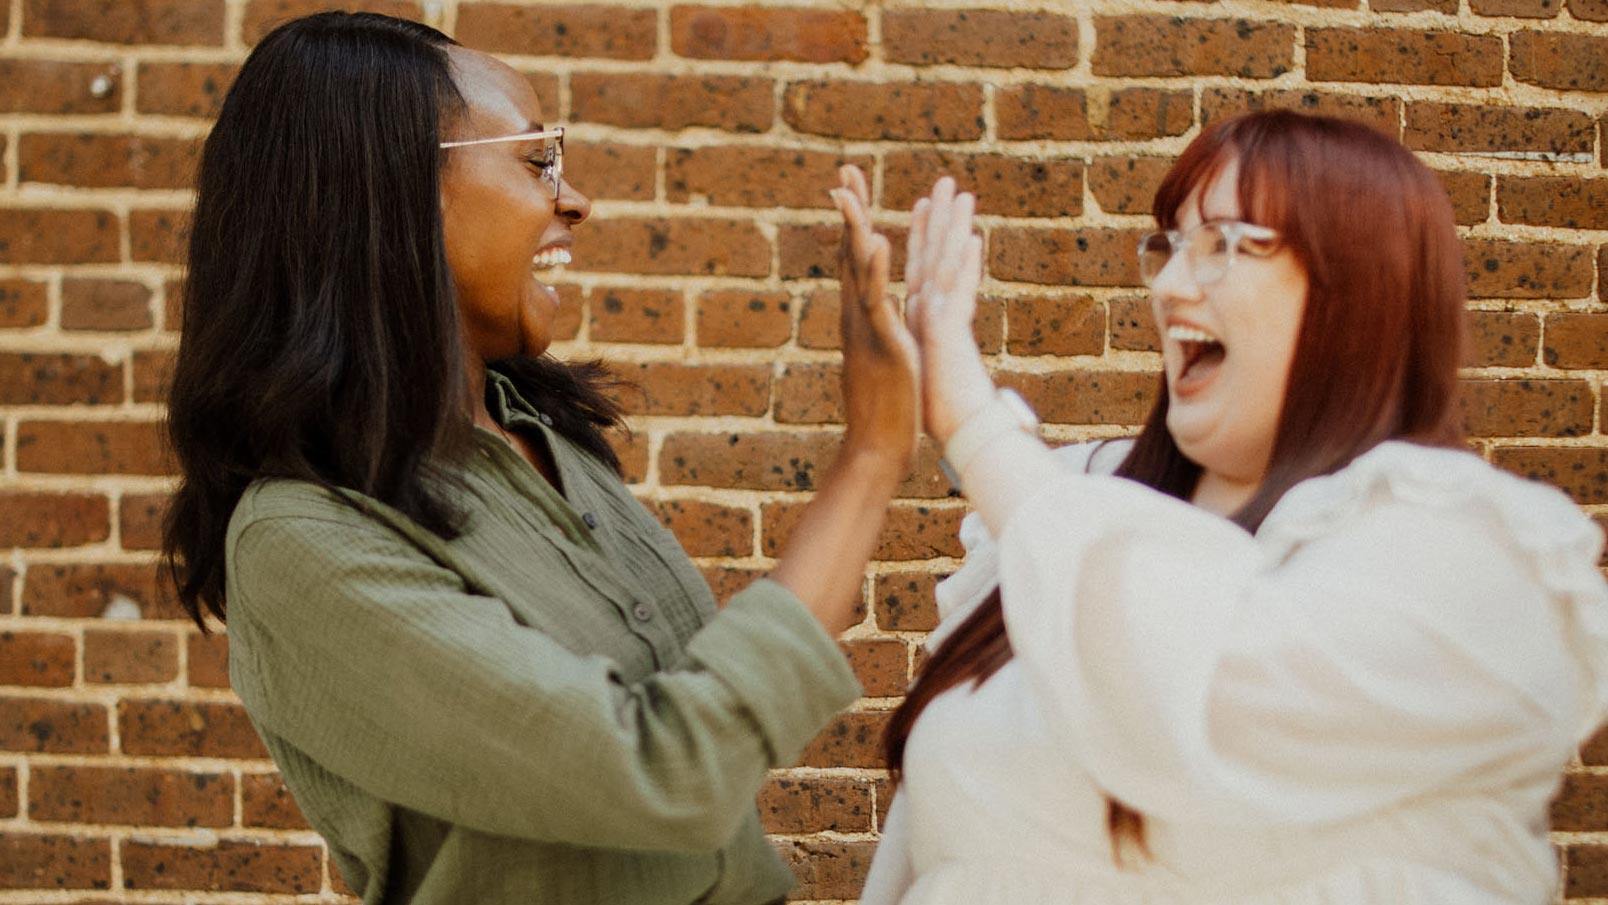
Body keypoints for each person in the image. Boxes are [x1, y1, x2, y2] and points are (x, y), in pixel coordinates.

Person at [162, 12, 918, 905]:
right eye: (538, 158)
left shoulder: (543, 435)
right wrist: (870, 455)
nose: (575, 199)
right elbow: (666, 771)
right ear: (393, 188)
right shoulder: (302, 537)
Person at [849, 110, 1608, 903]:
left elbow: (1206, 699)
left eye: (1223, 244)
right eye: (1170, 245)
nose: (1173, 284)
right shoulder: (1070, 510)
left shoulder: (1468, 551)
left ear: (1355, 287)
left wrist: (978, 427)